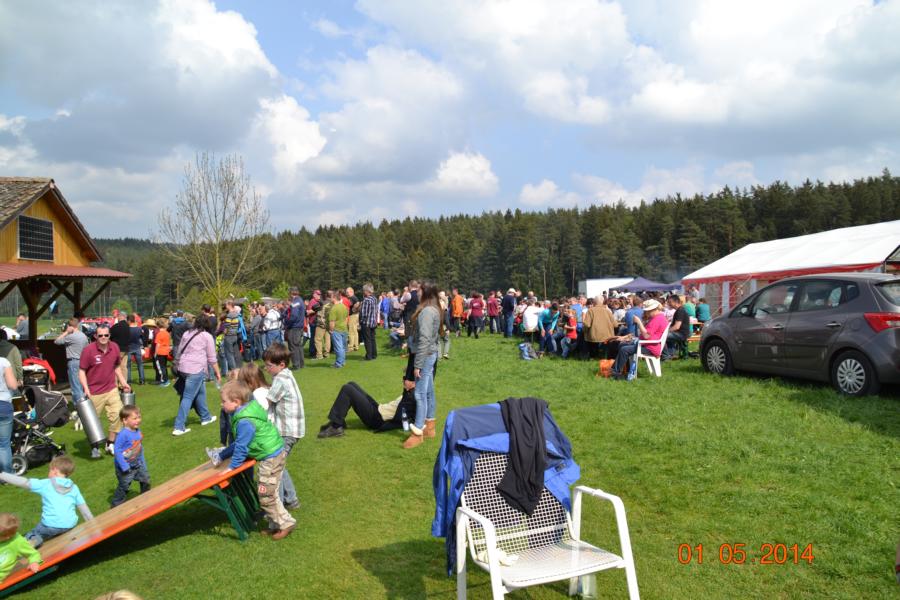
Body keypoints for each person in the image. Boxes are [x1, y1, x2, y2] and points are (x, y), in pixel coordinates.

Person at [213, 380, 295, 540]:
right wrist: (222, 455)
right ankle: (275, 525)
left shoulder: (244, 421)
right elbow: (239, 442)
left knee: (266, 494)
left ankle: (286, 523)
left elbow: (241, 447)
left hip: (271, 458)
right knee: (269, 493)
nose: (221, 404)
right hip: (273, 453)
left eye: (224, 401)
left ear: (236, 402)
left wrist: (232, 467)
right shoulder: (246, 410)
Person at [0, 455, 94, 547]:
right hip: (70, 525)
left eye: (49, 470)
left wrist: (2, 475)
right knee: (53, 531)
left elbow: (24, 482)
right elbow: (83, 507)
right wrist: (92, 523)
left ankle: (33, 541)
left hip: (50, 525)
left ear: (55, 470)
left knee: (34, 534)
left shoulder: (46, 484)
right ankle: (53, 535)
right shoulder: (74, 487)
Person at [317, 357, 418, 438]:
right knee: (351, 384)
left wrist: (408, 389)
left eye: (405, 378)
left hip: (377, 419)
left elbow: (403, 414)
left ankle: (336, 427)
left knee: (347, 389)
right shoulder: (413, 392)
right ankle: (339, 421)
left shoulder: (413, 395)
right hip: (379, 409)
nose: (403, 380)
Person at [79, 324, 131, 459]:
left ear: (109, 335)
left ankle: (110, 443)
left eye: (106, 335)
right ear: (95, 336)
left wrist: (123, 382)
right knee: (92, 422)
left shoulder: (115, 347)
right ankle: (94, 447)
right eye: (100, 335)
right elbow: (82, 371)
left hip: (111, 389)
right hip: (94, 392)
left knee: (119, 415)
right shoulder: (88, 350)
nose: (103, 337)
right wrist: (85, 388)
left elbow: (116, 367)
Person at [262, 344, 304, 512]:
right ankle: (291, 500)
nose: (266, 369)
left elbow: (266, 402)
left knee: (274, 469)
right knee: (279, 464)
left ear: (281, 364)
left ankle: (277, 509)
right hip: (292, 429)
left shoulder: (280, 379)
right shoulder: (285, 374)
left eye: (269, 366)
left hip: (288, 431)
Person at [404, 282, 442, 449]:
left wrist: (417, 364)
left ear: (424, 292)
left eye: (418, 290)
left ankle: (418, 431)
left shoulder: (427, 311)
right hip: (429, 354)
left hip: (425, 356)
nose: (416, 292)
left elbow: (425, 339)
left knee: (419, 393)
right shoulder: (433, 309)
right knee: (428, 391)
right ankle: (430, 427)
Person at [172, 315, 221, 436]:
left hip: (183, 368)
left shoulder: (187, 333)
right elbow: (212, 358)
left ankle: (206, 417)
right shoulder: (207, 336)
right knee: (188, 397)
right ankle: (179, 426)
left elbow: (179, 350)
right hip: (196, 369)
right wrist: (217, 372)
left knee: (200, 392)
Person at [612, 299, 668, 381]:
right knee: (623, 345)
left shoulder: (657, 319)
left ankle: (615, 373)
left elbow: (646, 335)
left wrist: (639, 322)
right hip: (650, 345)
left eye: (648, 311)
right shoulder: (659, 318)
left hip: (650, 347)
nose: (646, 313)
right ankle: (625, 371)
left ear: (654, 310)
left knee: (624, 349)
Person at [110, 406, 151, 508]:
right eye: (134, 418)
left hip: (138, 463)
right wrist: (124, 466)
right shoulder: (123, 435)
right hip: (125, 467)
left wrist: (142, 461)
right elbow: (117, 451)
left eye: (139, 417)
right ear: (125, 420)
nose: (138, 420)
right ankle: (116, 505)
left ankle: (146, 497)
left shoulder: (137, 431)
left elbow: (139, 447)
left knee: (145, 479)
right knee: (124, 486)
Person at [54, 318, 89, 405]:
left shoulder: (71, 337)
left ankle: (79, 406)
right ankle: (85, 403)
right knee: (81, 384)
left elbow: (56, 341)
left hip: (73, 362)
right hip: (82, 361)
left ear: (69, 326)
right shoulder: (83, 336)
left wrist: (66, 332)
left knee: (75, 386)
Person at [0, 514, 41, 580]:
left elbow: (33, 554)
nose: (7, 537)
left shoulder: (17, 542)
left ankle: (36, 539)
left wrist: (34, 562)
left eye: (11, 534)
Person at [0, 355, 18, 474]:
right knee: (3, 444)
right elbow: (13, 385)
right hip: (3, 404)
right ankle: (7, 475)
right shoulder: (3, 362)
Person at [663, 295, 691, 360]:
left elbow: (677, 326)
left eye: (670, 302)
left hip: (681, 334)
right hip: (681, 333)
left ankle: (665, 356)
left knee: (663, 336)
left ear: (676, 302)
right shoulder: (680, 310)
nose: (669, 304)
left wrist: (666, 331)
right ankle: (671, 354)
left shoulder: (680, 311)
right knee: (665, 335)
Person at [284, 288, 306, 370]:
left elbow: (294, 316)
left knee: (293, 346)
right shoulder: (300, 300)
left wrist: (287, 322)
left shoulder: (295, 302)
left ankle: (296, 365)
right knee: (298, 346)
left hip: (294, 327)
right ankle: (301, 364)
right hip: (299, 326)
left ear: (291, 293)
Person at [328, 290, 349, 369]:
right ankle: (342, 362)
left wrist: (331, 330)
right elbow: (346, 318)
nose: (330, 299)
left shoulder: (334, 308)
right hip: (344, 329)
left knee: (338, 348)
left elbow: (332, 322)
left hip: (336, 330)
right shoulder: (344, 306)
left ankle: (338, 363)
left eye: (331, 297)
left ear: (334, 298)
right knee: (342, 347)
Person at [108, 313, 131, 385]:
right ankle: (123, 383)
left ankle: (115, 383)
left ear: (120, 317)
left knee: (115, 366)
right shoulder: (128, 326)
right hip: (126, 349)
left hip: (117, 349)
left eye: (118, 317)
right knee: (123, 366)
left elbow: (109, 336)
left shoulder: (116, 326)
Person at [358, 284, 378, 361]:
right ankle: (374, 355)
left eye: (364, 290)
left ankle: (368, 356)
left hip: (366, 323)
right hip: (373, 322)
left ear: (367, 291)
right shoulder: (374, 298)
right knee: (372, 339)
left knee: (367, 340)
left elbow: (364, 313)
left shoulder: (366, 300)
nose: (363, 292)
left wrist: (360, 321)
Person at [125, 314, 145, 385]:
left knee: (128, 366)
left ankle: (129, 381)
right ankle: (142, 381)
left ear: (129, 320)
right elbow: (142, 338)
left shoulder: (127, 329)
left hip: (129, 348)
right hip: (137, 347)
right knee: (140, 365)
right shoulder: (139, 329)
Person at [313, 292, 332, 359]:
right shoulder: (332, 303)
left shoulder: (322, 302)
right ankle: (326, 353)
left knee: (318, 339)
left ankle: (319, 355)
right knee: (327, 339)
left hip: (321, 323)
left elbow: (313, 307)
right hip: (329, 323)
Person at [153, 317, 171, 387]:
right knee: (164, 367)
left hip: (160, 352)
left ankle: (164, 381)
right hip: (166, 352)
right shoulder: (167, 333)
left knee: (160, 368)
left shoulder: (159, 334)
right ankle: (166, 380)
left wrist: (155, 353)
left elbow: (158, 344)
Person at [346, 287, 361, 353]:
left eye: (347, 292)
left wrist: (353, 309)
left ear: (352, 292)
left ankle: (350, 347)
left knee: (351, 331)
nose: (346, 294)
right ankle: (356, 346)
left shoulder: (352, 298)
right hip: (355, 315)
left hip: (352, 316)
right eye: (346, 292)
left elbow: (356, 304)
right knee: (355, 331)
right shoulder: (354, 297)